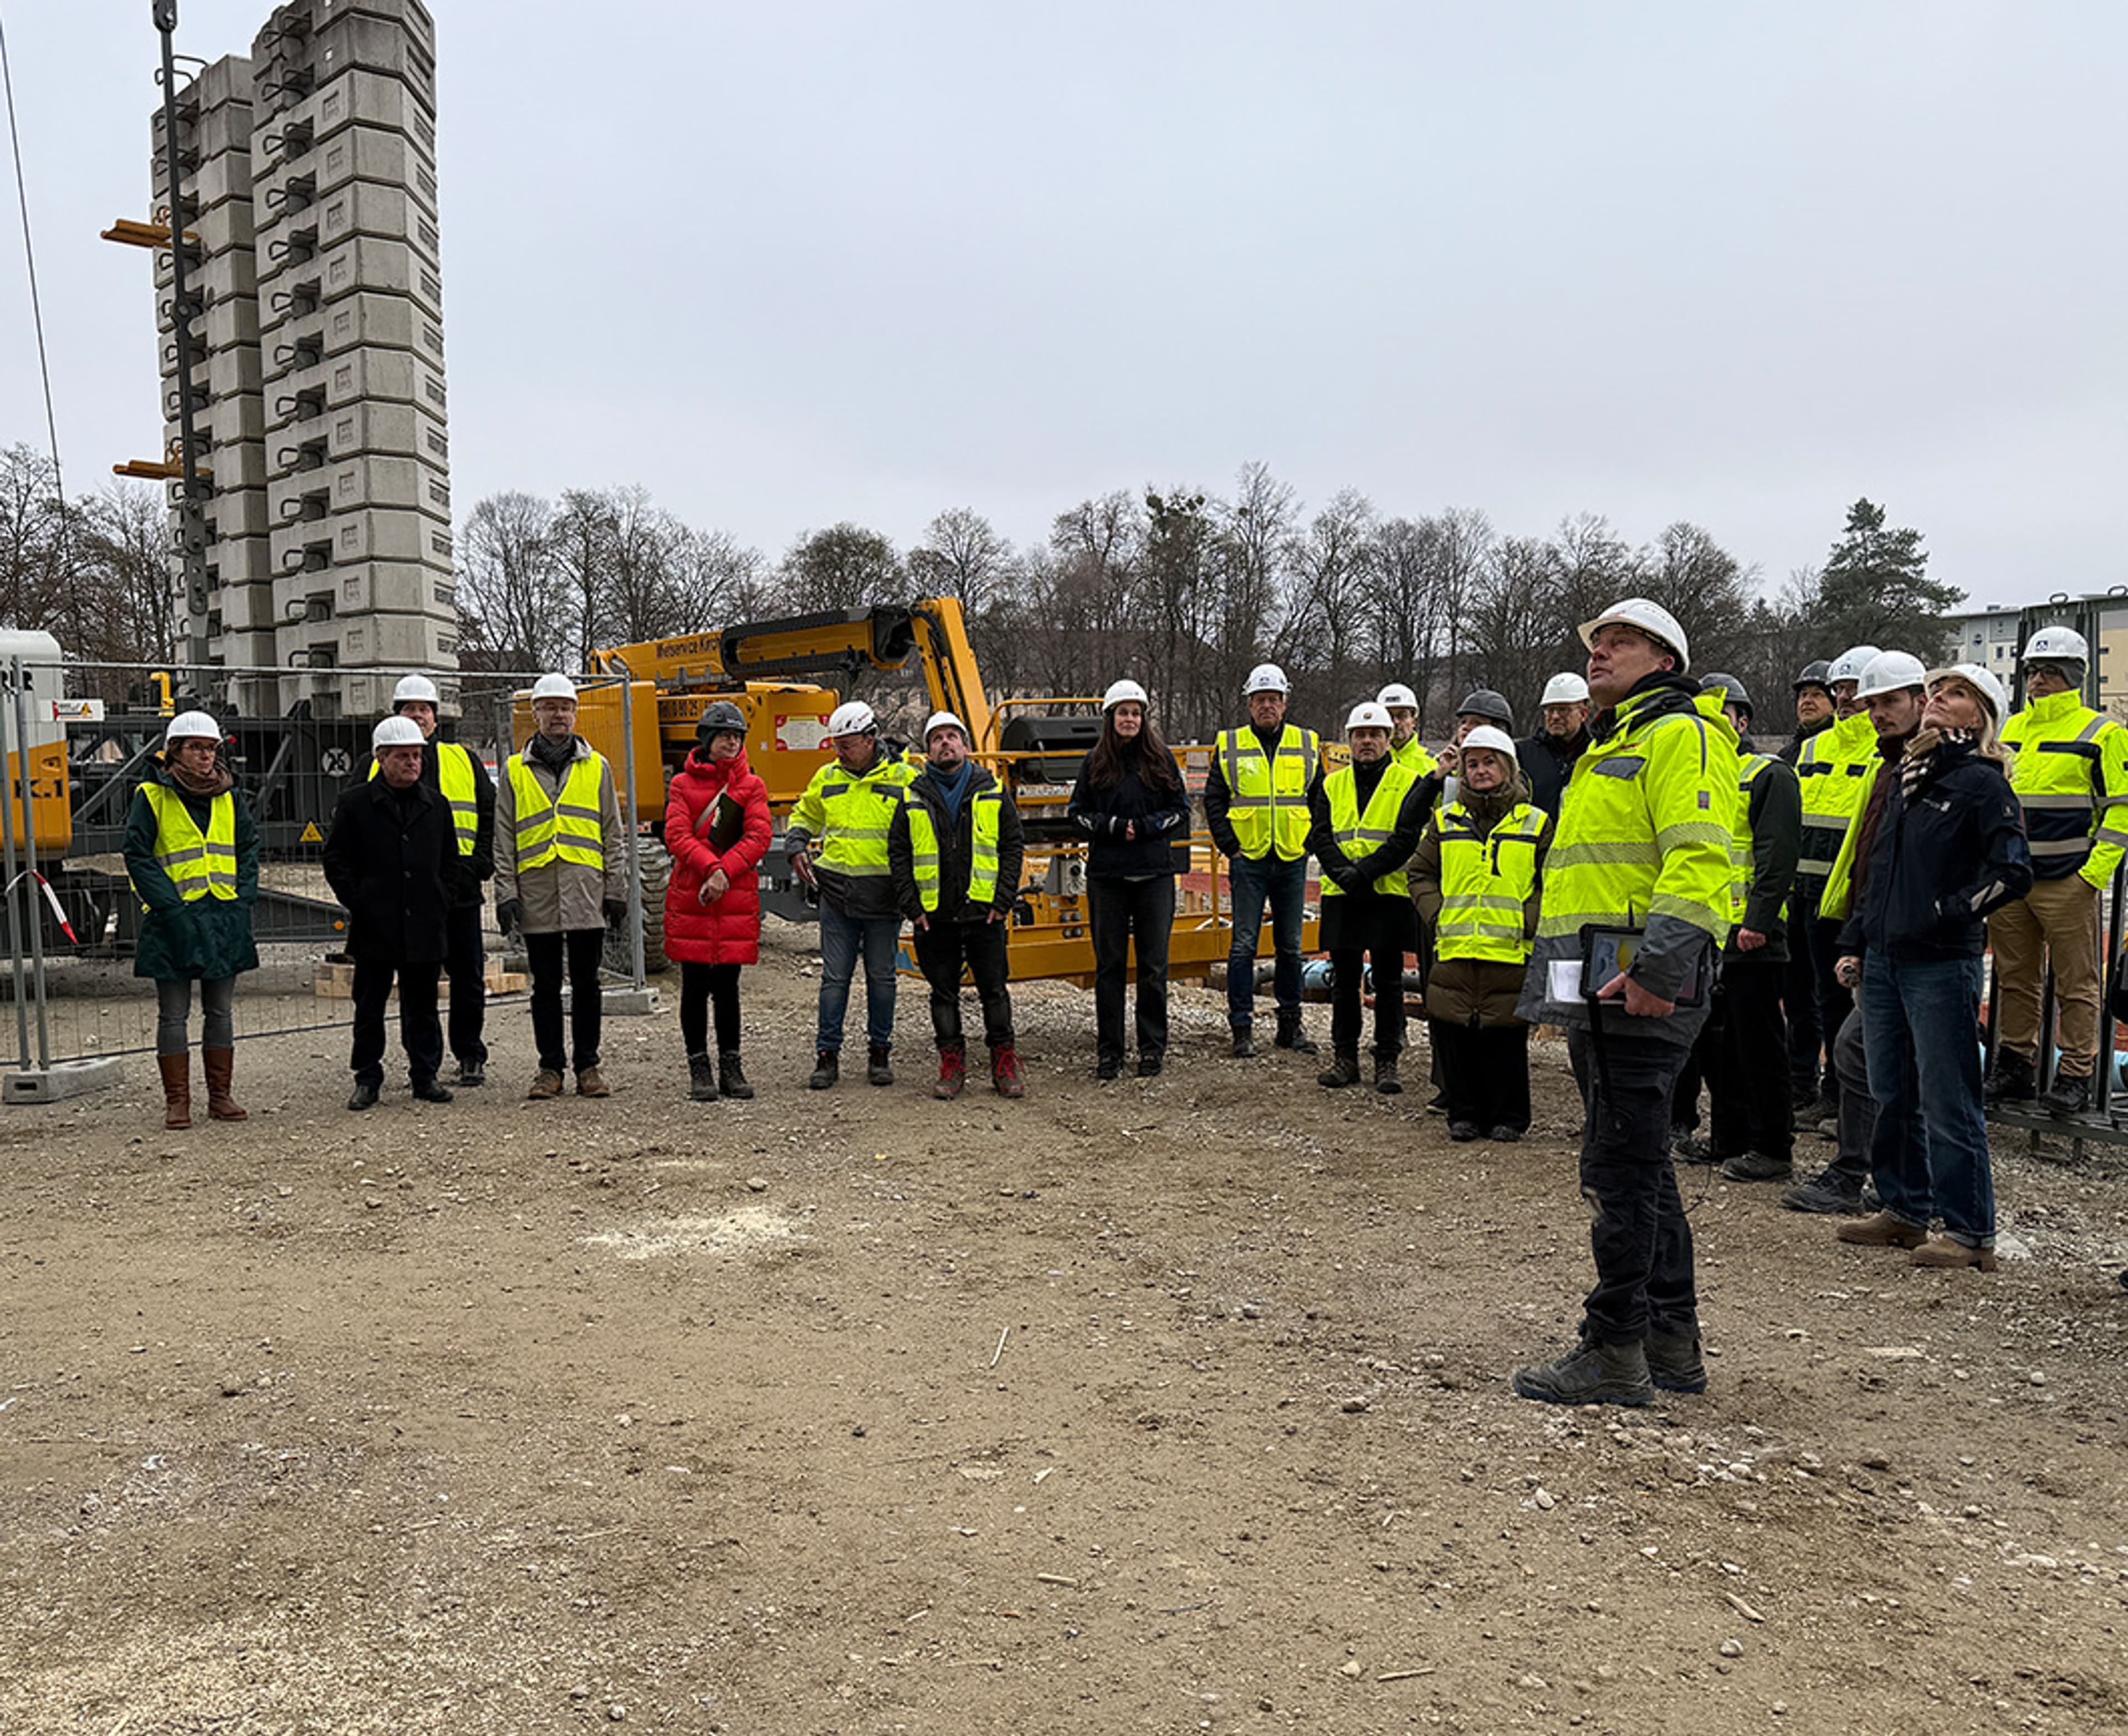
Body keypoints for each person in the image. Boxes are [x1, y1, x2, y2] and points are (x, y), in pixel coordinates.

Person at [1511, 598, 1738, 1407]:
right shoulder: (1614, 743)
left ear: (1665, 661)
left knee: (1621, 1170)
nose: (1601, 652)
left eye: (1622, 642)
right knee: (1644, 1166)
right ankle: (1670, 1340)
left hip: (1638, 988)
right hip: (1601, 987)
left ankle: (1615, 1348)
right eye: (1598, 642)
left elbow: (1702, 862)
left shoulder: (1682, 736)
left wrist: (1659, 971)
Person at [1832, 657, 2029, 1271]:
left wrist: (1949, 912)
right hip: (1888, 961)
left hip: (1941, 964)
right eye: (1938, 689)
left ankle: (1971, 1233)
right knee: (1893, 1091)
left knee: (1949, 1099)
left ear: (1984, 715)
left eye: (1958, 693)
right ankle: (1905, 1210)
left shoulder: (1981, 783)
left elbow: (2013, 873)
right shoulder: (1909, 779)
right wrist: (1857, 940)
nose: (1940, 698)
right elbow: (1881, 873)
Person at [1988, 626, 2128, 1115]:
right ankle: (2016, 1067)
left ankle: (2076, 1074)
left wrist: (2093, 875)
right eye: (2032, 671)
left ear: (2074, 675)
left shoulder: (2102, 732)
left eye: (2050, 671)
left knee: (2077, 982)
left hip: (2068, 880)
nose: (2039, 680)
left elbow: (2122, 809)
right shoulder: (2009, 731)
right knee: (2015, 977)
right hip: (2011, 879)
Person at [1670, 674, 1800, 1182]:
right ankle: (1729, 1138)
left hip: (1753, 937)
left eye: (1718, 716)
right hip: (1710, 934)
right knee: (1714, 1045)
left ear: (1742, 722)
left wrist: (1758, 921)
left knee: (1760, 1046)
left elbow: (1776, 855)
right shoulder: (1706, 777)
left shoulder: (1769, 774)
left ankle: (1772, 1145)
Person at [1409, 724, 1550, 1139]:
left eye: (1490, 762)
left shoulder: (1536, 823)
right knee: (1457, 1032)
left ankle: (1509, 1116)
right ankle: (1464, 1112)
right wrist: (1439, 915)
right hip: (1456, 947)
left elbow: (1552, 882)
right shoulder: (1445, 820)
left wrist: (1528, 920)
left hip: (1508, 950)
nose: (1481, 771)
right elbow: (1419, 872)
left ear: (1508, 767)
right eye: (1472, 764)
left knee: (1504, 1037)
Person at [495, 672, 628, 1100]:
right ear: (535, 713)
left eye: (566, 707)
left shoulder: (598, 766)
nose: (559, 715)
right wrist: (507, 894)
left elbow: (613, 832)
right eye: (550, 707)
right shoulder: (515, 771)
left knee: (588, 983)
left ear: (575, 713)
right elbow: (504, 838)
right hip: (537, 893)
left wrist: (617, 890)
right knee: (546, 986)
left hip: (585, 891)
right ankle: (550, 1068)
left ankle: (588, 1066)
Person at [125, 710, 260, 1129]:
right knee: (173, 1013)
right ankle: (177, 1101)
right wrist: (168, 906)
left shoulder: (230, 796)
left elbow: (249, 847)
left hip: (222, 914)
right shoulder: (151, 795)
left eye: (212, 748)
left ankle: (220, 1096)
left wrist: (242, 898)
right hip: (175, 917)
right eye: (197, 748)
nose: (206, 756)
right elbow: (138, 855)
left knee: (220, 1011)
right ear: (175, 752)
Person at [890, 710, 1029, 1098]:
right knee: (943, 994)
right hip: (934, 915)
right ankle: (952, 1065)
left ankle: (1004, 1064)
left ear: (966, 746)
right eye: (937, 738)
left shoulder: (993, 790)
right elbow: (898, 854)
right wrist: (912, 908)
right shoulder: (912, 795)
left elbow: (1013, 845)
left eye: (952, 736)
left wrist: (1003, 900)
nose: (945, 743)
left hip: (984, 912)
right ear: (928, 749)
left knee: (994, 991)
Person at [324, 716, 460, 1110]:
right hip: (375, 925)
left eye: (417, 755)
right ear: (381, 758)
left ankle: (425, 1075)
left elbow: (451, 861)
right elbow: (336, 859)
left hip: (424, 923)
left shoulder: (436, 806)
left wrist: (441, 898)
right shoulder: (355, 805)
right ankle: (367, 1077)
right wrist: (360, 899)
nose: (412, 763)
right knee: (370, 1006)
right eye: (403, 756)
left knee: (423, 1006)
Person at [786, 699, 918, 1089]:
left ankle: (880, 1053)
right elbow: (806, 814)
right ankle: (827, 1056)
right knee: (834, 979)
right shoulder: (827, 776)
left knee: (882, 979)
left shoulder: (905, 777)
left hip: (884, 898)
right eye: (836, 744)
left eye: (847, 744)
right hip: (838, 896)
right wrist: (796, 844)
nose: (839, 752)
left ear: (870, 737)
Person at [375, 673, 496, 1086]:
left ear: (435, 717)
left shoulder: (464, 759)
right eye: (410, 709)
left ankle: (470, 1054)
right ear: (398, 715)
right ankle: (423, 1064)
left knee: (468, 979)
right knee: (417, 985)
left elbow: (488, 816)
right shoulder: (380, 765)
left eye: (424, 710)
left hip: (460, 890)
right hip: (411, 898)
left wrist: (479, 866)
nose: (419, 716)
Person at [1068, 679, 1191, 1079]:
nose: (1130, 719)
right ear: (1111, 717)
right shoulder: (1094, 762)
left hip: (1155, 875)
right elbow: (1078, 812)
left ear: (1144, 718)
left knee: (1154, 967)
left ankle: (1152, 1049)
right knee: (1111, 967)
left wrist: (1149, 826)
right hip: (1108, 877)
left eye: (1136, 713)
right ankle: (1110, 1052)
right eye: (1123, 712)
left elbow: (1181, 808)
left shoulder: (1161, 759)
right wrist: (1115, 826)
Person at [1308, 701, 1426, 1095]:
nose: (1367, 742)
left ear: (1388, 739)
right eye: (1360, 735)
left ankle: (1387, 1060)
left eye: (1375, 735)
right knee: (1344, 981)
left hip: (1387, 893)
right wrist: (1345, 874)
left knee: (1390, 982)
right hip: (1343, 895)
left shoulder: (1408, 780)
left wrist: (1363, 872)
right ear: (1350, 740)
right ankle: (1345, 1058)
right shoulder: (1330, 783)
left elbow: (1406, 838)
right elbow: (1321, 836)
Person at [1205, 663, 1319, 1058]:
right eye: (1260, 700)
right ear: (1250, 704)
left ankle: (1290, 1024)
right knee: (1244, 946)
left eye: (1273, 699)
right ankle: (1242, 1027)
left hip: (1291, 856)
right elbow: (1214, 799)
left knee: (1290, 946)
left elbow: (1319, 798)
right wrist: (1229, 845)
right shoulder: (1230, 744)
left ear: (1285, 703)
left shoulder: (1307, 743)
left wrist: (1308, 842)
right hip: (1249, 858)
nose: (1267, 705)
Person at [1789, 643, 1883, 1121]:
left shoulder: (1883, 750)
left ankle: (1850, 1099)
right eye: (1840, 689)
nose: (1846, 698)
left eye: (1855, 689)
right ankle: (1825, 1093)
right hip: (1806, 895)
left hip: (1850, 898)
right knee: (1816, 997)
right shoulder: (1810, 749)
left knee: (1853, 1001)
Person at [663, 700, 773, 1103]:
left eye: (737, 735)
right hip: (696, 894)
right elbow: (677, 835)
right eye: (725, 735)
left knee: (728, 987)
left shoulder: (752, 785)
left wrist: (725, 873)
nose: (732, 741)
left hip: (732, 897)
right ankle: (699, 1066)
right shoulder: (681, 784)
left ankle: (731, 1064)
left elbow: (758, 836)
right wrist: (713, 869)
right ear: (707, 739)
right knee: (693, 985)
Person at [1516, 673, 1590, 816]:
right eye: (1550, 710)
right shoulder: (1523, 754)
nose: (1555, 717)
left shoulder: (1596, 754)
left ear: (1583, 714)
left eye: (1564, 709)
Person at [1378, 683, 1439, 778]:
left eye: (1402, 716)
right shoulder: (1370, 762)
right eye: (1389, 716)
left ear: (1414, 721)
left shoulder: (1433, 764)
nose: (1396, 722)